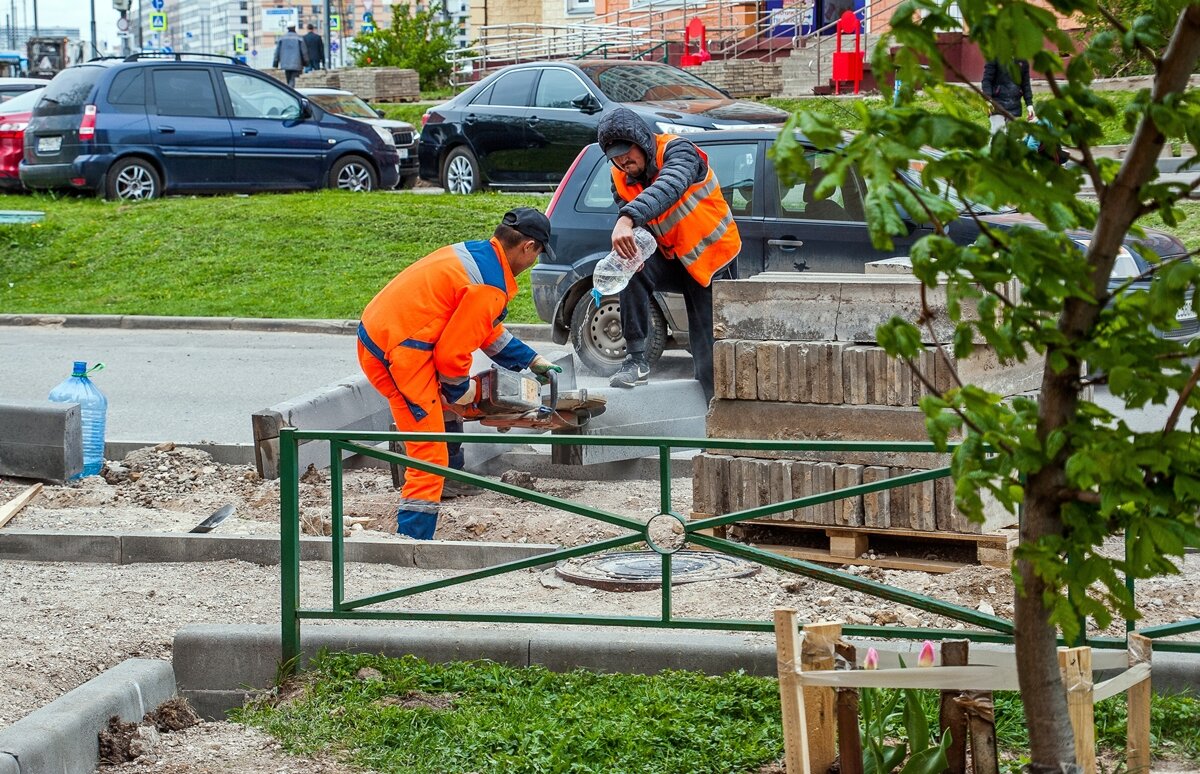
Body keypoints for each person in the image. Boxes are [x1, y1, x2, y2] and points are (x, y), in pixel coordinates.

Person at [357, 208, 563, 539]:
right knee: (429, 453)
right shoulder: (489, 287)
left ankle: (450, 484)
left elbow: (483, 329)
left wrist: (532, 360)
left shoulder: (478, 256)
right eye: (538, 253)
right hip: (401, 355)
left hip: (385, 336)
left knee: (449, 403)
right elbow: (452, 355)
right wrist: (460, 393)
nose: (534, 262)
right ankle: (413, 539)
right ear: (528, 246)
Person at [595, 107, 741, 403]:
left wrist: (626, 219)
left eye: (627, 152)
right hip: (673, 256)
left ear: (643, 142)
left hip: (711, 257)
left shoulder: (679, 151)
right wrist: (634, 244)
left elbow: (669, 186)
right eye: (615, 157)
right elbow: (645, 226)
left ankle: (717, 414)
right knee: (629, 266)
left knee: (706, 346)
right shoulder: (619, 177)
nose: (623, 162)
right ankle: (636, 361)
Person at [981, 58, 1035, 134]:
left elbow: (1025, 84)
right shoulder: (994, 57)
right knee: (998, 135)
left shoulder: (1023, 60)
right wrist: (988, 100)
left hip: (1014, 104)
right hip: (997, 104)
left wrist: (1029, 104)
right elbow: (987, 81)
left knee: (1012, 138)